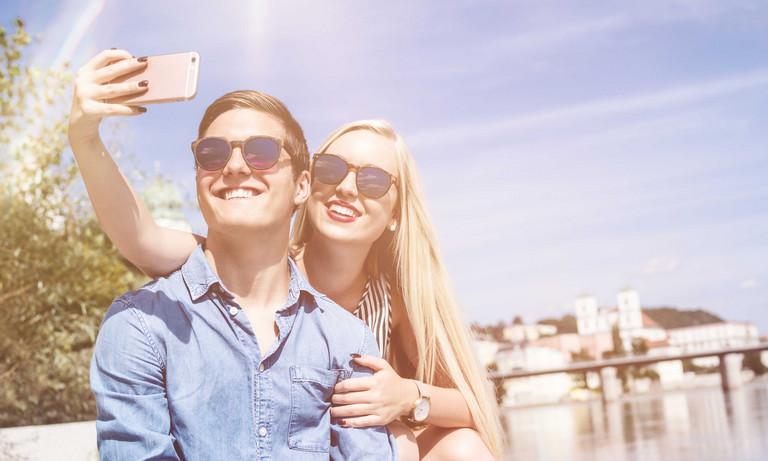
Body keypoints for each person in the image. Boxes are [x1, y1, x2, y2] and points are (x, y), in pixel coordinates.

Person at [70, 49, 504, 460]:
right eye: (332, 170)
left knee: (415, 443)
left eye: (372, 180)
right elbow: (139, 237)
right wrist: (84, 136)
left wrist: (408, 396)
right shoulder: (235, 266)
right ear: (309, 184)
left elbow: (476, 400)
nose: (347, 189)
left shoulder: (382, 309)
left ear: (396, 213)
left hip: (380, 432)